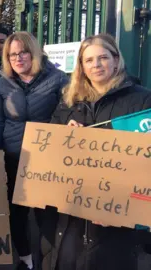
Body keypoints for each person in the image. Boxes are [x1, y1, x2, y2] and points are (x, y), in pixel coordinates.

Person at [40, 34, 151, 270]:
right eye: (88, 60)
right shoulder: (70, 102)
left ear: (116, 59)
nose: (96, 65)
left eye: (102, 57)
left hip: (117, 216)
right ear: (81, 66)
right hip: (73, 211)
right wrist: (64, 135)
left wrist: (123, 208)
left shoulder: (142, 100)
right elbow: (49, 148)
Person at [0, 32, 69, 270]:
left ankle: (48, 261)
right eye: (12, 54)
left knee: (46, 215)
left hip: (47, 160)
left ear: (33, 52)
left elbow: (67, 115)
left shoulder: (58, 79)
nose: (18, 58)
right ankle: (26, 259)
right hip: (13, 157)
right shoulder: (1, 83)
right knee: (16, 212)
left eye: (23, 52)